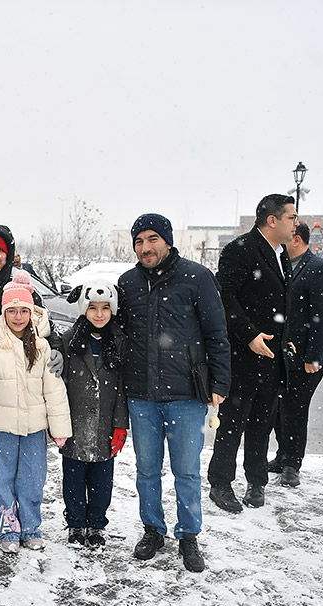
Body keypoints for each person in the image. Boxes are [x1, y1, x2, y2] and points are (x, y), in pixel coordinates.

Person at [118, 214, 230, 572]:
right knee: (147, 471)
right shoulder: (128, 283)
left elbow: (217, 333)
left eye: (152, 239)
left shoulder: (197, 278)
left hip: (186, 395)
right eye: (139, 241)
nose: (145, 247)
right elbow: (118, 334)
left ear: (167, 241)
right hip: (141, 395)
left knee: (187, 472)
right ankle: (153, 529)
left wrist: (220, 383)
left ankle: (189, 535)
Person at [0, 225, 60, 530]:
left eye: (0, 250)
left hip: (15, 384)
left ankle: (4, 504)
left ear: (9, 254)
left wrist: (57, 349)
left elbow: (44, 328)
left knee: (10, 454)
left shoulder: (24, 290)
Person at [0, 272, 72, 552]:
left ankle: (30, 527)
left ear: (31, 313)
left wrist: (59, 429)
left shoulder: (41, 346)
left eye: (24, 311)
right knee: (3, 481)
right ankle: (7, 530)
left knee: (32, 480)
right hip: (2, 428)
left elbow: (54, 391)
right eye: (12, 311)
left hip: (34, 428)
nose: (18, 317)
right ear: (4, 313)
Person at [207, 194, 295, 513]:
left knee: (262, 423)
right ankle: (220, 482)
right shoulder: (240, 249)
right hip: (243, 357)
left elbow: (280, 302)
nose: (295, 223)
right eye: (291, 217)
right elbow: (224, 296)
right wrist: (249, 335)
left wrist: (287, 339)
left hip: (272, 357)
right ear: (272, 220)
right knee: (232, 424)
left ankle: (256, 481)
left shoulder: (281, 254)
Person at [268, 221, 323, 487]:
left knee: (295, 409)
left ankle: (292, 464)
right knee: (278, 408)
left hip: (307, 358)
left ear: (296, 239)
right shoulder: (283, 267)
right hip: (284, 354)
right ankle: (282, 455)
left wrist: (314, 357)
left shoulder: (320, 269)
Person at [58, 279, 127, 549]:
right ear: (83, 309)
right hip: (74, 424)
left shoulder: (119, 342)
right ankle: (76, 522)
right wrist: (58, 423)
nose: (99, 314)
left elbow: (122, 388)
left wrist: (120, 425)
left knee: (102, 481)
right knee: (73, 478)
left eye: (105, 308)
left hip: (105, 426)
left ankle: (96, 524)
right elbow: (60, 386)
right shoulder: (70, 341)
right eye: (93, 308)